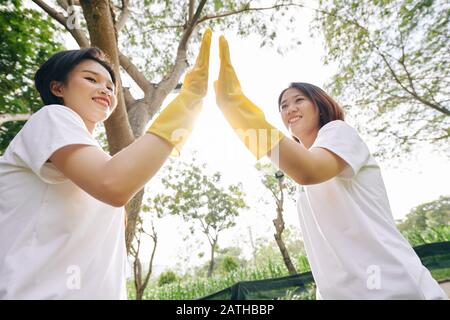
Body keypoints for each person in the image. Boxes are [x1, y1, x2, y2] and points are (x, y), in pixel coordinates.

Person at [213, 35, 448, 300]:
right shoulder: (302, 170)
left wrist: (237, 110)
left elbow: (308, 170)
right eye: (283, 105)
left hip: (394, 289)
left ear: (319, 103)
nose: (289, 108)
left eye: (298, 100)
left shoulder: (339, 133)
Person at [0, 29, 212, 299]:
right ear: (57, 87)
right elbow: (113, 183)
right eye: (91, 79)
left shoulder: (92, 158)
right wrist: (187, 103)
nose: (105, 89)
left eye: (111, 86)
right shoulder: (51, 117)